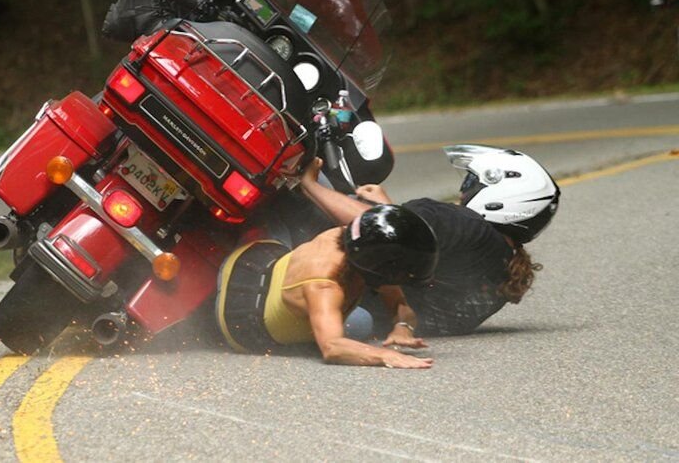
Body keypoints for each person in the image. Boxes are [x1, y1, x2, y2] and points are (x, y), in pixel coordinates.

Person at [299, 145, 560, 336]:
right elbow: (421, 262)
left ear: (502, 195)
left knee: (308, 175)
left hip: (331, 293)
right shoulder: (502, 264)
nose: (462, 191)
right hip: (356, 318)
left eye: (471, 182)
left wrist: (309, 183)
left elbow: (375, 225)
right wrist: (392, 208)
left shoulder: (463, 225)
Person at [215, 160, 439, 369]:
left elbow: (400, 306)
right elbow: (332, 347)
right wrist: (386, 356)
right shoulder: (324, 286)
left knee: (302, 194)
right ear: (380, 269)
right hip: (241, 315)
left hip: (263, 255)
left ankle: (298, 182)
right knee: (362, 323)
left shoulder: (356, 238)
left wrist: (403, 328)